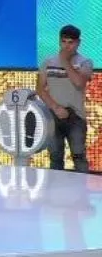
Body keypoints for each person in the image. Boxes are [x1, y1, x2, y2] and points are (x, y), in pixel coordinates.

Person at [36, 25, 93, 173]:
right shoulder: (47, 62)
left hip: (76, 118)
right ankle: (55, 187)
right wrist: (55, 108)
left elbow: (79, 83)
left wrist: (65, 61)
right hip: (52, 116)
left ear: (78, 43)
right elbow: (40, 89)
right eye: (63, 42)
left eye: (71, 42)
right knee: (55, 157)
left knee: (79, 157)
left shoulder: (85, 62)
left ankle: (82, 186)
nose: (66, 46)